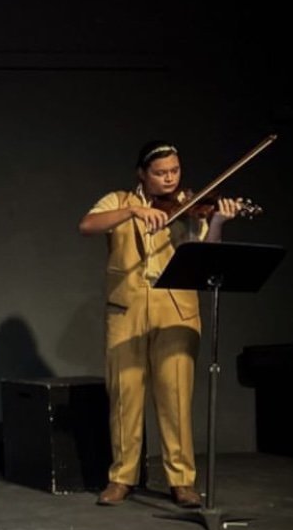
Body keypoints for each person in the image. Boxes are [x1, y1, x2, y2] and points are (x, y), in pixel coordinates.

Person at [78, 141, 239, 509]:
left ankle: (181, 481)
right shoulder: (118, 200)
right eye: (161, 172)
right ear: (142, 174)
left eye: (175, 171)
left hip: (176, 309)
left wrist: (216, 222)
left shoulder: (192, 204)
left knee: (175, 396)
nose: (170, 179)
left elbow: (205, 257)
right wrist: (133, 211)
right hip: (127, 308)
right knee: (125, 395)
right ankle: (121, 477)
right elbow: (87, 225)